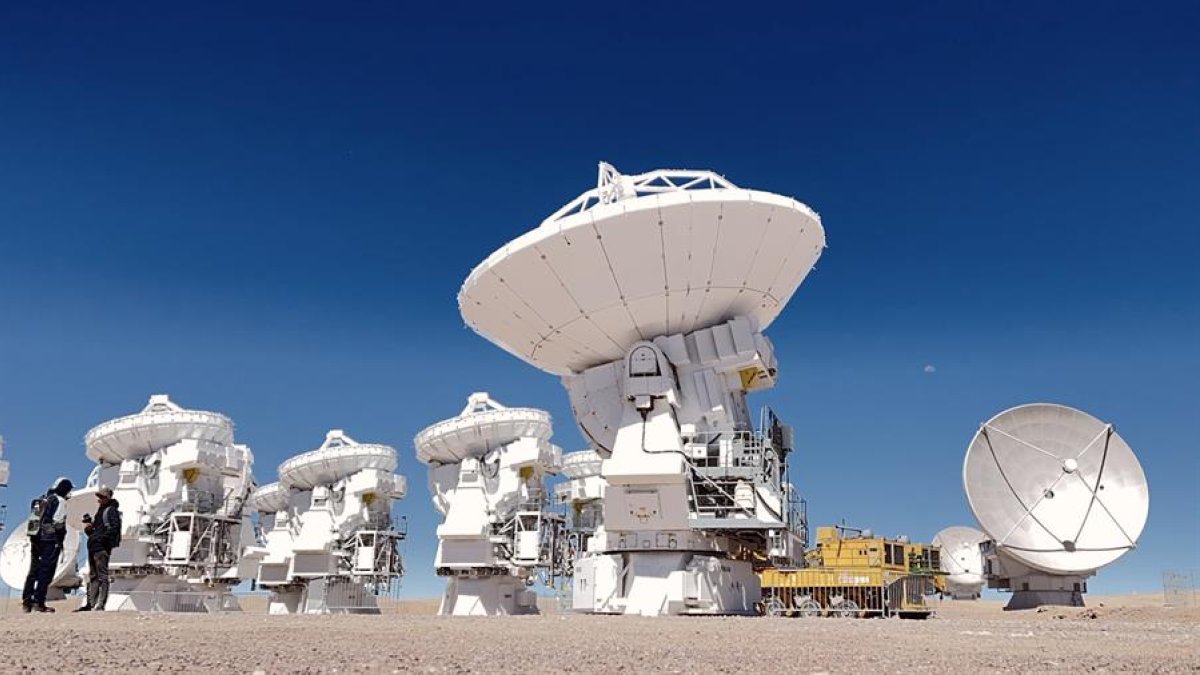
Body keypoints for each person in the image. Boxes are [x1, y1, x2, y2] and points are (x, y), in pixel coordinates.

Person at [21, 476, 73, 613]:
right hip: (50, 540)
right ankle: (39, 602)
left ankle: (27, 601)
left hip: (36, 538)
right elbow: (58, 523)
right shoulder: (60, 501)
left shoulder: (43, 499)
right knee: (46, 571)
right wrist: (60, 539)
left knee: (33, 571)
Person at [76, 487, 121, 612]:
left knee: (102, 576)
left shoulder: (111, 511)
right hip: (93, 547)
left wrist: (101, 538)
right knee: (93, 576)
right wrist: (89, 529)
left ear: (107, 498)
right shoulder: (100, 512)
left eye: (101, 497)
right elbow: (96, 531)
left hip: (101, 548)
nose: (99, 500)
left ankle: (100, 604)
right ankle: (91, 604)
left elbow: (115, 528)